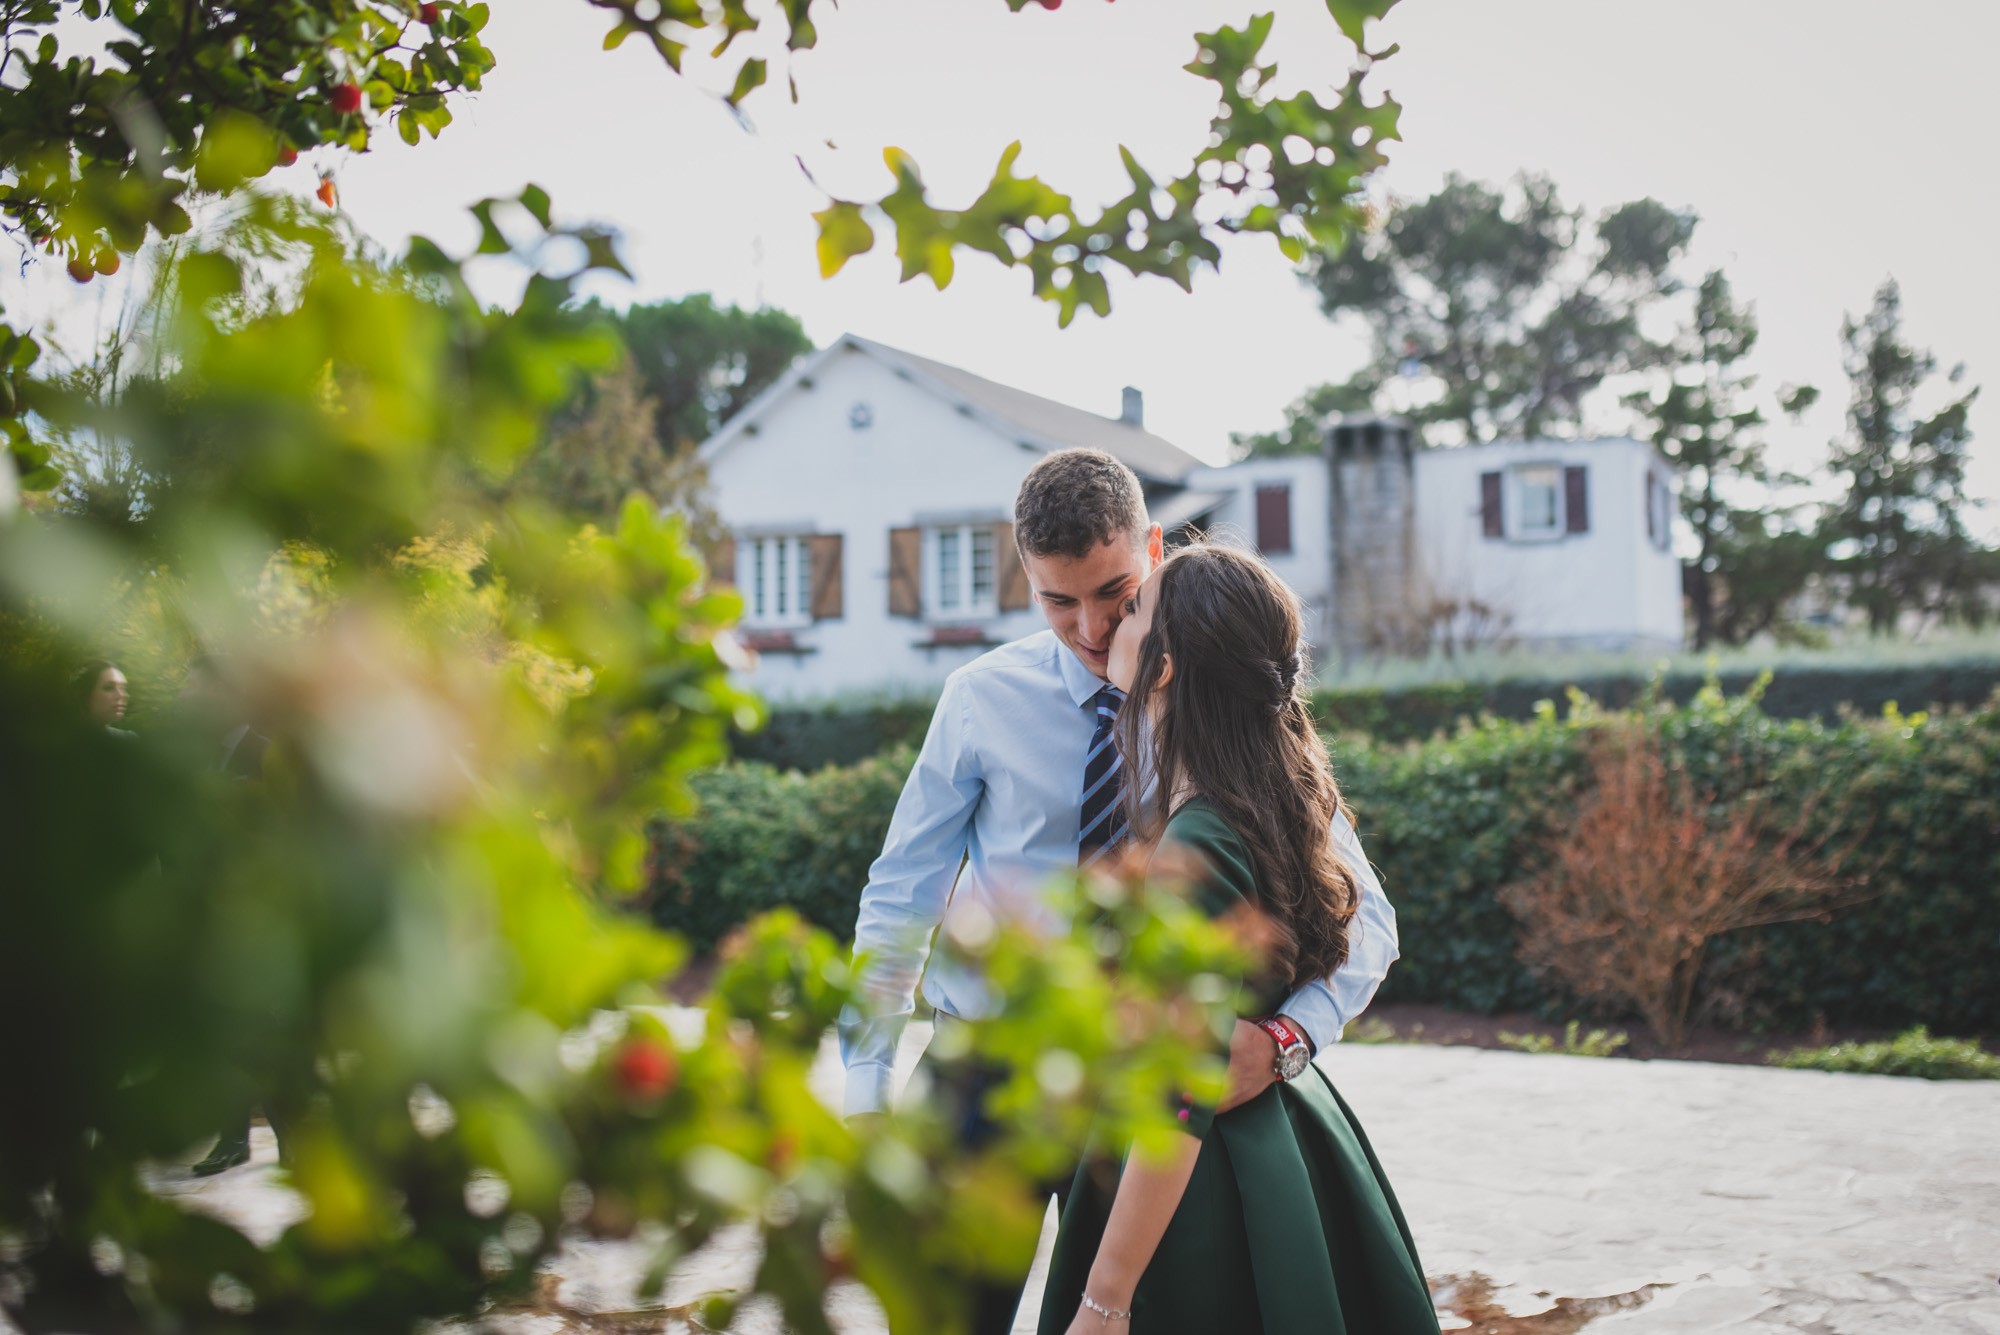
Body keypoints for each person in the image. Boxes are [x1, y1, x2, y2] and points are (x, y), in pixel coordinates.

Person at [839, 449, 1402, 1334]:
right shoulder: (980, 699)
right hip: (990, 1061)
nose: (1092, 627)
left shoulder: (1218, 701)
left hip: (1147, 1091)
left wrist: (1291, 1037)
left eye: (1114, 592)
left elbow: (1367, 914)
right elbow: (901, 891)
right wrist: (867, 1079)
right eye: (1058, 600)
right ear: (1025, 576)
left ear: (1152, 548)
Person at [1038, 542, 1439, 1335]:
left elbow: (1176, 1092)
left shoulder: (1200, 842)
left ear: (1163, 669)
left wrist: (1105, 1297)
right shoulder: (1261, 795)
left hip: (1200, 1190)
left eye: (1135, 609)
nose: (1113, 620)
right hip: (1289, 1139)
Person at [77, 659, 134, 736]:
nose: (122, 695)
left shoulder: (129, 740)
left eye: (122, 688)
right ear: (86, 694)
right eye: (109, 688)